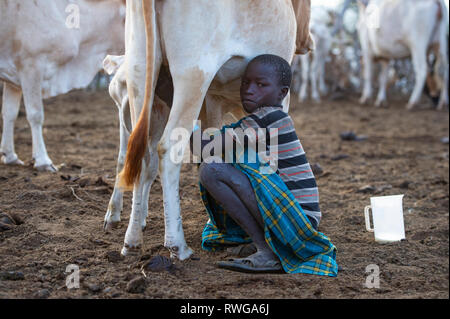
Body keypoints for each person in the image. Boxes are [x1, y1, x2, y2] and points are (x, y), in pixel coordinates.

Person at [191, 54, 338, 276]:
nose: (249, 90)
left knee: (212, 169)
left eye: (261, 85)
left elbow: (206, 148)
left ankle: (267, 251)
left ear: (282, 93)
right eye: (245, 83)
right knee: (227, 163)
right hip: (293, 218)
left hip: (297, 223)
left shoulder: (270, 119)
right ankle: (265, 244)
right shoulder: (262, 119)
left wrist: (185, 115)